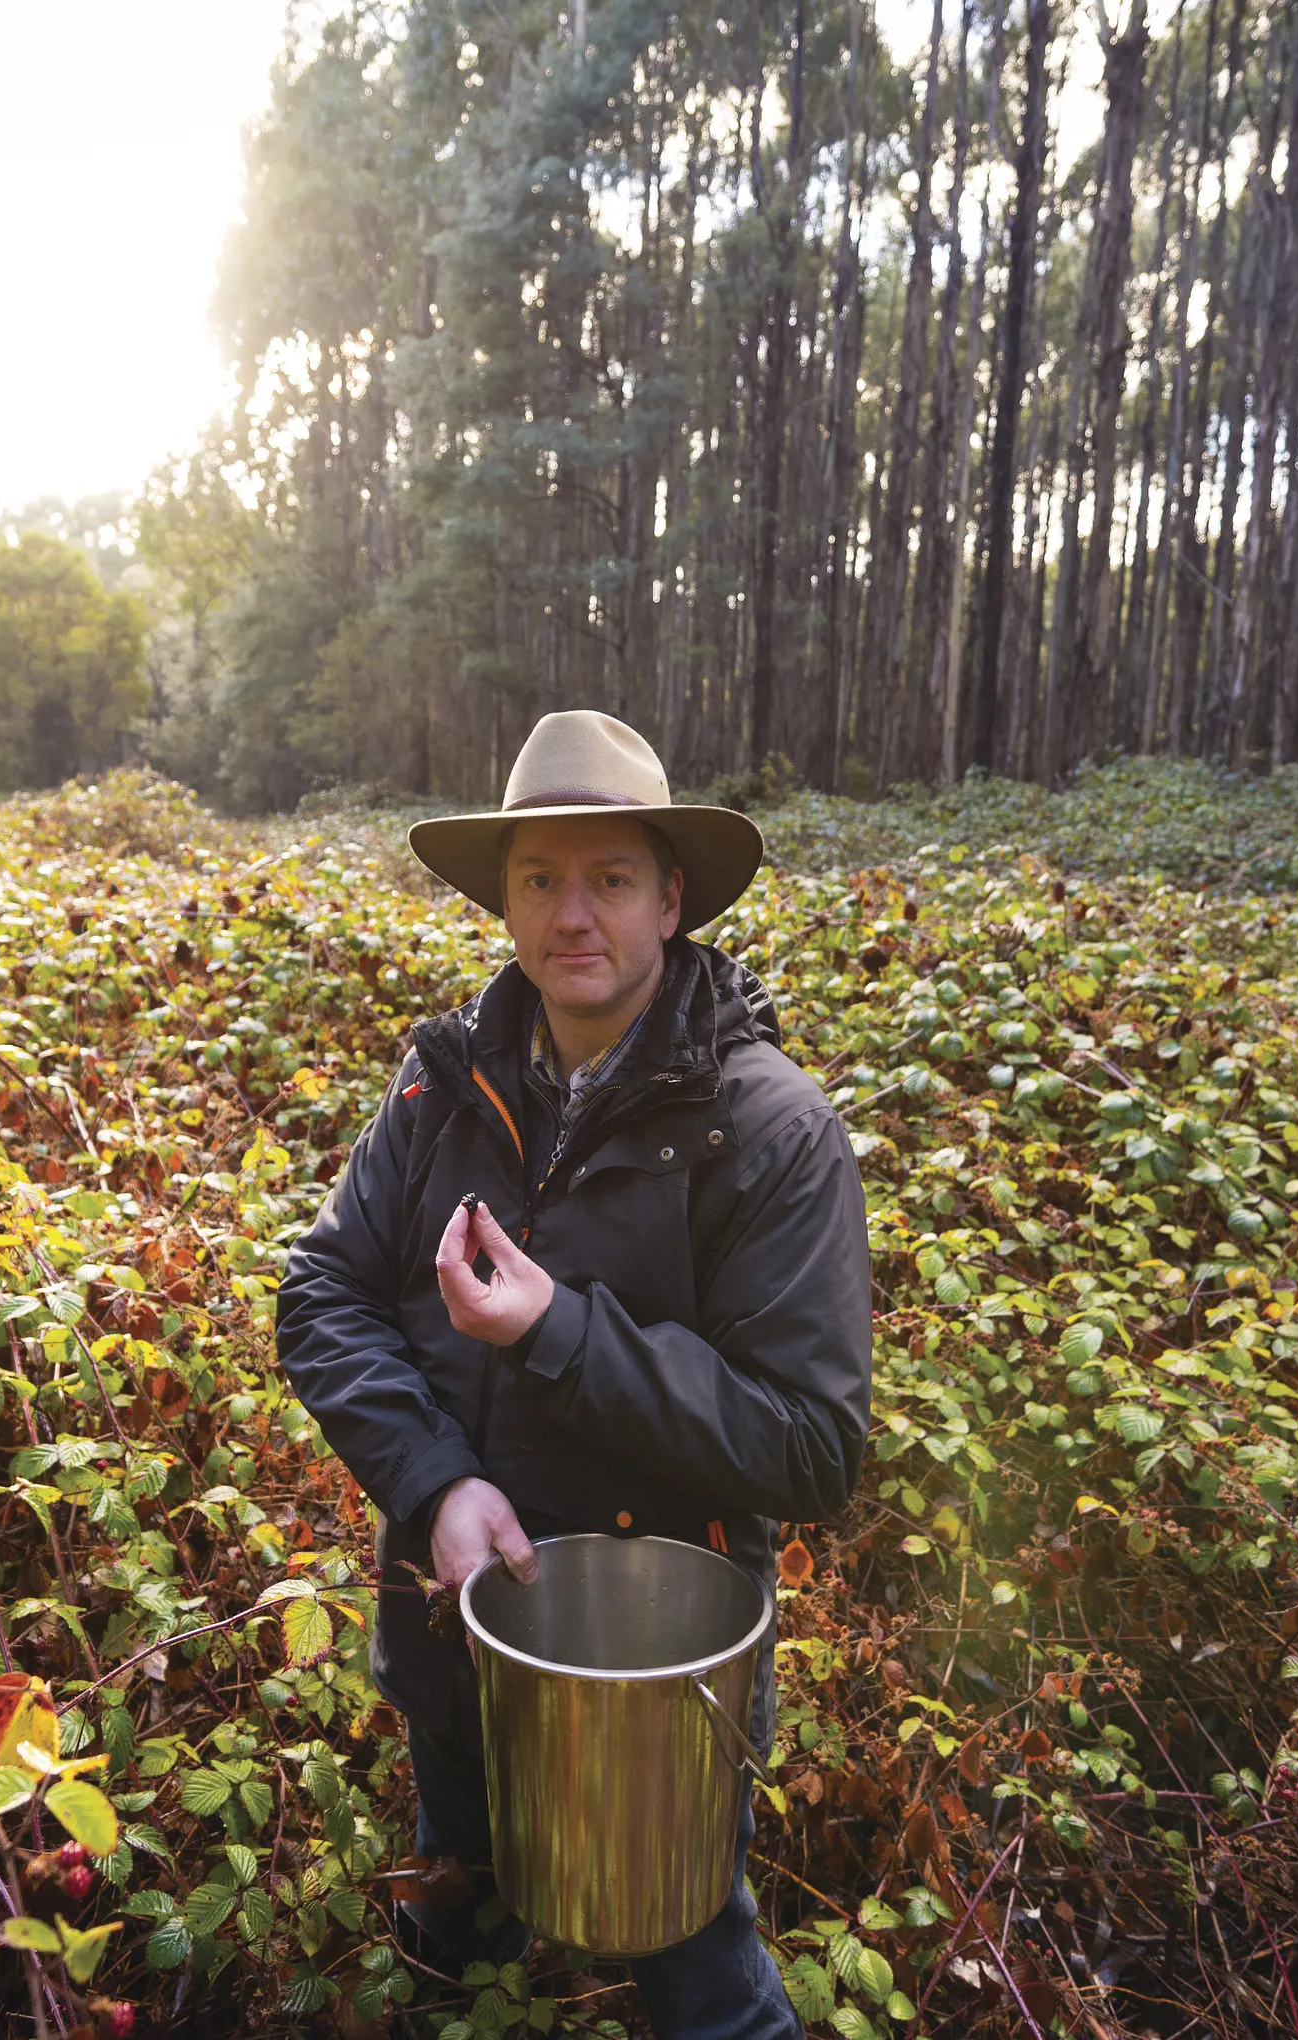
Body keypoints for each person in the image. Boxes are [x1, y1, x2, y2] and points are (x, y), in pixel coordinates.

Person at [276, 710, 873, 2039]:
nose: (572, 915)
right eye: (539, 878)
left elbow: (812, 1448)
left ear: (671, 897)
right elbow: (320, 1291)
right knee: (452, 1915)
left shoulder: (767, 1131)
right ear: (503, 899)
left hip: (648, 1675)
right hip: (453, 1624)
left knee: (695, 1977)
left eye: (609, 877)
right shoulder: (444, 1087)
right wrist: (436, 1486)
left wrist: (557, 1331)